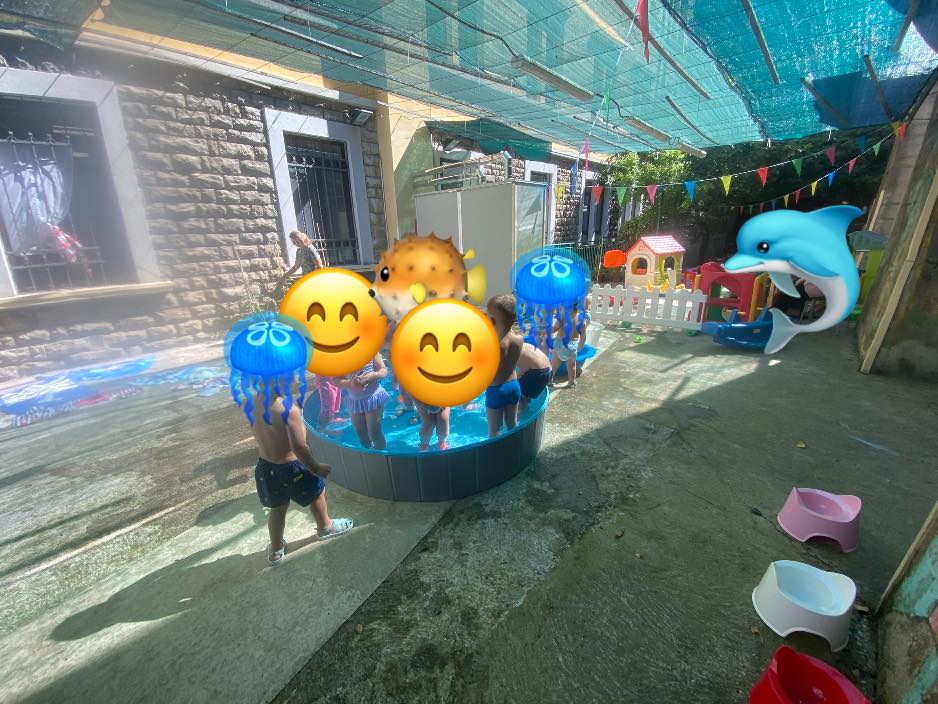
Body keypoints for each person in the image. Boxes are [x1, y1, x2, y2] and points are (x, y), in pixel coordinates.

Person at [249, 382, 353, 566]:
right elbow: (299, 448)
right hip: (291, 469)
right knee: (317, 494)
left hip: (265, 468)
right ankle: (326, 527)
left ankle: (276, 549)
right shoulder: (289, 410)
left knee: (278, 508)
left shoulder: (253, 401)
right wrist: (316, 468)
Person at [485, 294, 523, 438]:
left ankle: (497, 453)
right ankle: (516, 445)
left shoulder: (494, 346)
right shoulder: (519, 339)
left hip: (496, 391)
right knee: (512, 424)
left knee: (494, 431)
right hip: (514, 387)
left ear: (492, 321)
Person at [336, 352, 389, 450]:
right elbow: (336, 380)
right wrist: (349, 383)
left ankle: (381, 455)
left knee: (374, 433)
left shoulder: (371, 351)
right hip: (355, 402)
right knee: (361, 434)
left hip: (373, 399)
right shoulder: (341, 357)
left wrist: (373, 376)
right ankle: (368, 452)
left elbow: (383, 370)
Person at [550, 305, 581, 388]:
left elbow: (554, 329)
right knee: (572, 366)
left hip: (559, 343)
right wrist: (580, 345)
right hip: (572, 345)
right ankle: (571, 382)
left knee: (554, 365)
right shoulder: (581, 319)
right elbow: (583, 336)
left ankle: (549, 381)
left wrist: (547, 332)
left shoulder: (562, 318)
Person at [517, 341, 551, 411]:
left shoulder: (510, 352)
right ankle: (525, 404)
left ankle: (520, 415)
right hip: (548, 369)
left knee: (520, 396)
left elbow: (519, 372)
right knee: (525, 394)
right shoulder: (523, 344)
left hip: (538, 373)